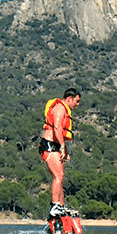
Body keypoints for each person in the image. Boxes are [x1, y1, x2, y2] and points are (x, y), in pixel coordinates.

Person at [39, 88, 81, 217]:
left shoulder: (64, 109)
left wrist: (64, 149)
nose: (77, 104)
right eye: (77, 101)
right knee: (58, 176)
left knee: (60, 178)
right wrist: (63, 146)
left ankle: (61, 206)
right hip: (49, 146)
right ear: (69, 98)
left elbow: (61, 134)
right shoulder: (59, 108)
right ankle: (54, 206)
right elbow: (57, 127)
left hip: (56, 146)